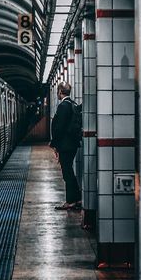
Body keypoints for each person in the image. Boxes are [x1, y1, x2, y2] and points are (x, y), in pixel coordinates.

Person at [50, 81, 82, 210]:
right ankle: (77, 198)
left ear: (60, 92)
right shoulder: (72, 104)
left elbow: (60, 128)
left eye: (58, 91)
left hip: (65, 145)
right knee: (70, 172)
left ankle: (70, 201)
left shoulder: (63, 106)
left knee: (67, 173)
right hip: (71, 144)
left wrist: (54, 143)